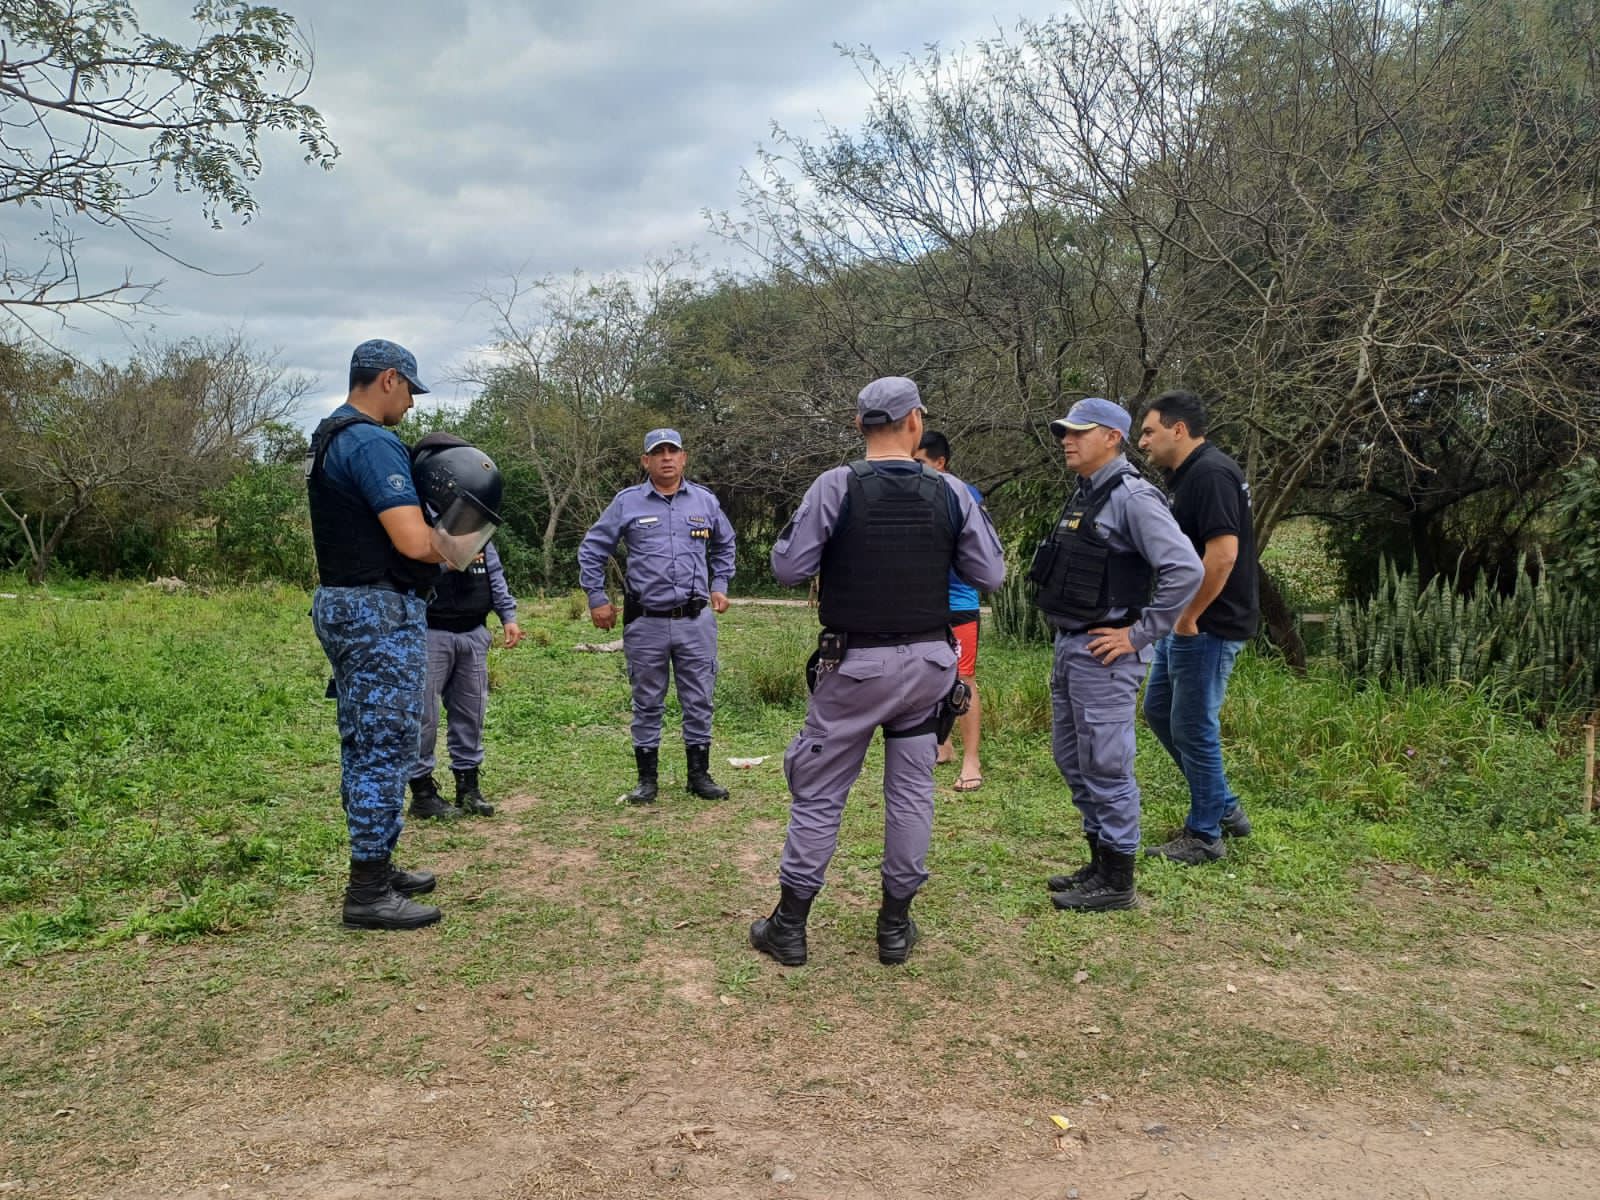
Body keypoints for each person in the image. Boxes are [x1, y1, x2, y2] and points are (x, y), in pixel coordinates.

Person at [751, 377, 1005, 968]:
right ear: (915, 421)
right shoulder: (950, 491)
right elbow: (990, 574)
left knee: (820, 794)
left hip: (855, 668)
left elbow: (788, 568)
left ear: (859, 424)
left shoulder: (834, 486)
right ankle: (894, 929)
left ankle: (790, 926)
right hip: (928, 667)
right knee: (912, 792)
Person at [1033, 397, 1203, 913]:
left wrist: (1139, 634)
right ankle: (1100, 860)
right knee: (1072, 758)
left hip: (1106, 653)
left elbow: (1185, 569)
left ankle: (1118, 879)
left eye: (1078, 431)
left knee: (1106, 765)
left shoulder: (1133, 497)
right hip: (1073, 646)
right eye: (1064, 431)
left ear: (1112, 437)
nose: (1067, 440)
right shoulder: (1087, 492)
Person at [305, 339, 446, 931]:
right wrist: (465, 537)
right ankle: (367, 891)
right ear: (389, 379)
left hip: (345, 602)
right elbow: (414, 541)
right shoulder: (369, 440)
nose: (410, 405)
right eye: (409, 390)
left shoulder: (329, 436)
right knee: (384, 746)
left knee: (365, 739)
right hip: (376, 611)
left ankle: (379, 865)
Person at [578, 428, 736, 804]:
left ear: (683, 458)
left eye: (673, 451)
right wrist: (597, 598)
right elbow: (593, 549)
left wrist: (720, 585)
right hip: (646, 621)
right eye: (658, 452)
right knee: (647, 700)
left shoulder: (705, 501)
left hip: (695, 620)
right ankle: (646, 781)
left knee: (699, 698)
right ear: (645, 461)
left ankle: (699, 776)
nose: (666, 458)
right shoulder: (627, 503)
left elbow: (725, 543)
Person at [1136, 390, 1259, 864]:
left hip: (1208, 623)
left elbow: (1223, 554)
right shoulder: (1187, 475)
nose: (1143, 442)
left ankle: (1205, 834)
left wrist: (1189, 615)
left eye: (1149, 431)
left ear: (1179, 429)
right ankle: (1222, 805)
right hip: (1186, 622)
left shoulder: (1210, 473)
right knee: (1159, 710)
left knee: (1192, 725)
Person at [407, 432, 524, 821]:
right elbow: (410, 573)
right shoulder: (414, 522)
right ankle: (423, 792)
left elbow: (494, 573)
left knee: (471, 713)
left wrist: (508, 616)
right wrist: (447, 559)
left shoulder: (472, 518)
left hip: (473, 631)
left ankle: (468, 787)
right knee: (424, 717)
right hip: (430, 632)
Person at [914, 431, 987, 791]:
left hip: (959, 604)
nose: (913, 469)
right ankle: (943, 746)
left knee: (963, 679)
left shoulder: (964, 495)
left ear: (940, 463)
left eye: (920, 462)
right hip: (922, 601)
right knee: (928, 675)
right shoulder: (910, 494)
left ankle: (972, 761)